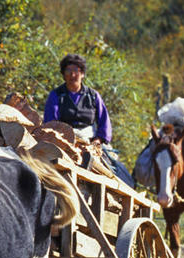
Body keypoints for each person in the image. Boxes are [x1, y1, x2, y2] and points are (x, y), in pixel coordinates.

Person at [43, 53, 134, 187]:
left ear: (82, 74)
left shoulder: (93, 96)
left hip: (91, 141)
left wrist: (98, 141)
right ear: (63, 74)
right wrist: (61, 139)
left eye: (76, 70)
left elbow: (104, 121)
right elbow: (51, 123)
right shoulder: (56, 95)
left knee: (113, 166)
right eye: (68, 71)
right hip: (64, 140)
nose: (72, 75)